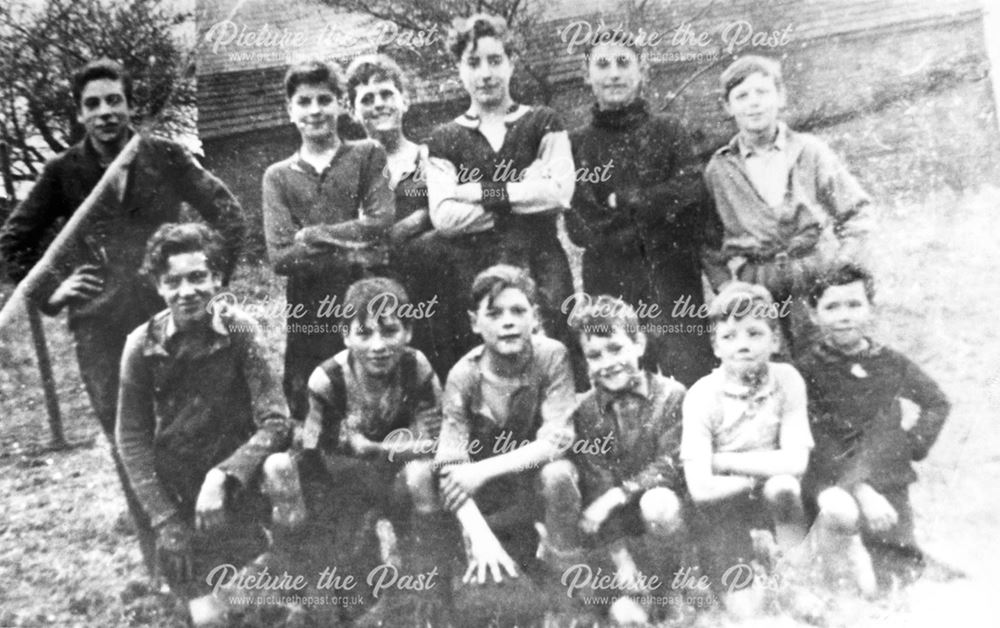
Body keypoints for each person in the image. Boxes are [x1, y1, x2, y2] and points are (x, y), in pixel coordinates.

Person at [0, 58, 245, 575]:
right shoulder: (63, 172)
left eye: (115, 100)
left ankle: (217, 550)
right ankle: (163, 562)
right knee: (128, 441)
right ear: (79, 113)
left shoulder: (165, 156)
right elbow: (13, 241)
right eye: (93, 104)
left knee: (192, 428)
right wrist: (54, 291)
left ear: (130, 104)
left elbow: (228, 212)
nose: (106, 112)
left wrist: (208, 277)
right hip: (103, 330)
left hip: (174, 321)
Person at [116, 223, 291, 626]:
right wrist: (165, 522)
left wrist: (224, 475)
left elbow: (277, 421)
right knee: (209, 619)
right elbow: (131, 440)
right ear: (158, 286)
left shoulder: (240, 331)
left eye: (198, 277)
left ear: (216, 278)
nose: (187, 291)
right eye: (172, 281)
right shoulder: (141, 346)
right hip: (180, 499)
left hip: (241, 494)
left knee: (263, 608)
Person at [416, 14, 580, 385]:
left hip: (540, 262)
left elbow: (558, 192)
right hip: (473, 267)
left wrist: (479, 192)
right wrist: (523, 190)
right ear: (459, 68)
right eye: (473, 63)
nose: (485, 73)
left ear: (512, 63)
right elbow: (443, 216)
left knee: (552, 352)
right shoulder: (444, 138)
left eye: (495, 60)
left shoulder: (543, 121)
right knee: (481, 368)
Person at [792, 263, 950, 593]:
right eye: (831, 307)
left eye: (854, 304)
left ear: (870, 308)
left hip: (887, 477)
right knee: (837, 572)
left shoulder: (889, 362)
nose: (844, 316)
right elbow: (817, 439)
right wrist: (861, 490)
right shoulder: (807, 370)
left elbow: (936, 402)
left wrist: (912, 445)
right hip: (834, 480)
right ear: (814, 314)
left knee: (896, 572)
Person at [566, 37, 715, 387]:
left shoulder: (669, 130)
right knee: (626, 375)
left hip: (671, 270)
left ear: (642, 71)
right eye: (603, 65)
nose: (614, 74)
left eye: (624, 63)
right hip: (610, 274)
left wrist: (626, 201)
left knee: (691, 373)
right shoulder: (577, 145)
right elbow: (581, 225)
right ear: (586, 75)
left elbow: (690, 194)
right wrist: (655, 210)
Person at [701, 55, 871, 356]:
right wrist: (728, 287)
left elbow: (856, 212)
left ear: (780, 98)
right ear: (728, 107)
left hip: (815, 276)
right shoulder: (720, 168)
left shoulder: (810, 151)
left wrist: (841, 266)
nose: (754, 103)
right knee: (771, 367)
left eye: (763, 92)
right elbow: (707, 241)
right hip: (757, 286)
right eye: (742, 96)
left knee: (828, 362)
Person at [435, 264, 577, 621]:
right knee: (494, 599)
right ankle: (453, 574)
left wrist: (481, 470)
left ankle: (567, 574)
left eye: (518, 311)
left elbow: (555, 441)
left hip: (529, 485)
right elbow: (450, 465)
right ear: (474, 322)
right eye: (494, 314)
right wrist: (480, 536)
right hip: (485, 503)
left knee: (559, 473)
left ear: (535, 317)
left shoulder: (552, 356)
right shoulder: (464, 376)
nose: (508, 323)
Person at [541, 295, 689, 625]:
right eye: (594, 355)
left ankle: (669, 588)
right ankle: (620, 595)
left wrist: (618, 494)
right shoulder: (586, 411)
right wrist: (621, 559)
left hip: (664, 521)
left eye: (616, 348)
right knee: (628, 618)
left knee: (659, 502)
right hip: (613, 534)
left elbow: (671, 465)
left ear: (638, 344)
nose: (607, 362)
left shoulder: (671, 395)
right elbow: (596, 486)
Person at [262, 59, 394, 422]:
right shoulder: (277, 177)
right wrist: (354, 241)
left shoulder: (367, 154)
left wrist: (316, 235)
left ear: (341, 104)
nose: (315, 110)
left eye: (324, 99)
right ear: (290, 111)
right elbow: (281, 257)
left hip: (365, 290)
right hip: (310, 303)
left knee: (375, 398)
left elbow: (381, 221)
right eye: (304, 102)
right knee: (317, 407)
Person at [681, 282, 813, 616]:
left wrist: (723, 460)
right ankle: (740, 567)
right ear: (715, 346)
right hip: (722, 505)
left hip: (769, 496)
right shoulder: (701, 395)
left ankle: (793, 576)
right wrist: (757, 476)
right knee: (747, 614)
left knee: (785, 486)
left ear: (775, 339)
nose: (743, 346)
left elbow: (796, 461)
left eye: (754, 333)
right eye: (730, 337)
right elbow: (701, 488)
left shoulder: (787, 379)